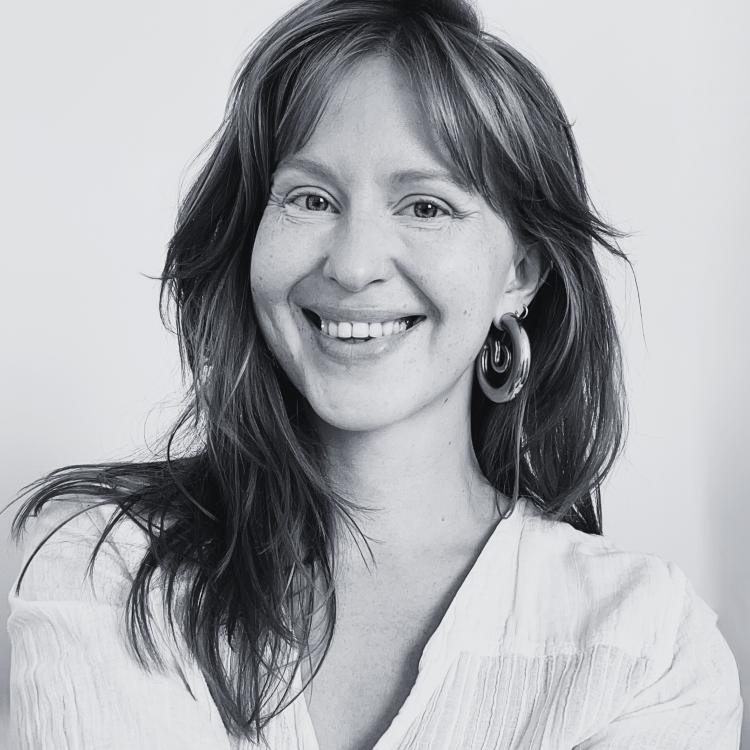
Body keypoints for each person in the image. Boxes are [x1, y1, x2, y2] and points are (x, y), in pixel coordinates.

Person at [7, 0, 743, 748]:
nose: (354, 265)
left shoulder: (646, 648)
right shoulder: (104, 571)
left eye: (426, 207)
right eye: (311, 199)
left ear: (520, 273)